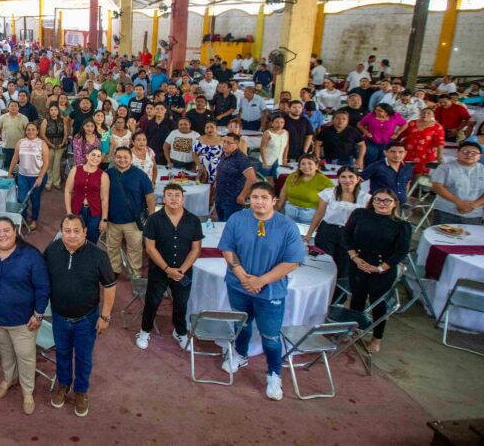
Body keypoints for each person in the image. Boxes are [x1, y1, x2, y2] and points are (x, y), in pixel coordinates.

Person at [218, 182, 306, 401]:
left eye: (264, 197)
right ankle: (240, 354)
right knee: (242, 324)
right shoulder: (237, 219)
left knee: (270, 335)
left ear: (274, 201)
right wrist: (242, 276)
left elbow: (292, 261)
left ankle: (274, 373)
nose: (258, 202)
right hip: (238, 286)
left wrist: (261, 281)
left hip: (270, 291)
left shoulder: (287, 227)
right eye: (254, 197)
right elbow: (227, 249)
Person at [0, 217, 50, 415]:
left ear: (15, 231)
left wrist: (38, 315)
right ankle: (9, 379)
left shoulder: (31, 256)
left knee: (25, 357)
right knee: (5, 351)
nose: (2, 235)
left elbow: (43, 287)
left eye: (6, 230)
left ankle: (27, 392)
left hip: (22, 321)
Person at [45, 215, 116, 418]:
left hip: (86, 319)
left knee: (83, 358)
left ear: (85, 232)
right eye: (67, 231)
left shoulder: (98, 255)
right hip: (59, 317)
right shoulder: (52, 250)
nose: (72, 235)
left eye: (76, 231)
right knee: (62, 353)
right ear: (61, 232)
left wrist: (105, 317)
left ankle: (81, 391)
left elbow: (110, 286)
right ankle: (64, 384)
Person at [342, 189, 412, 353]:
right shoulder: (360, 214)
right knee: (357, 298)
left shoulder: (402, 225)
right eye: (378, 199)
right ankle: (352, 330)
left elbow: (401, 252)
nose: (382, 203)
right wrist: (355, 258)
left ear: (395, 204)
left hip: (383, 269)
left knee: (378, 303)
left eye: (387, 200)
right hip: (358, 263)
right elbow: (347, 236)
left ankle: (376, 337)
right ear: (372, 201)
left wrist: (380, 268)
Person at [136, 183, 203, 351]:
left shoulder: (193, 220)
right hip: (159, 270)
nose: (173, 198)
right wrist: (167, 269)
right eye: (170, 195)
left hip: (183, 271)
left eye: (177, 195)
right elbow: (150, 248)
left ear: (183, 198)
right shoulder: (154, 219)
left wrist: (182, 270)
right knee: (152, 302)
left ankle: (180, 332)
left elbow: (196, 249)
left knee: (181, 303)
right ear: (164, 198)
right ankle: (145, 330)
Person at [304, 166, 369, 301]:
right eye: (343, 177)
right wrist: (309, 233)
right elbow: (319, 214)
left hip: (350, 235)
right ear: (338, 179)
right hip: (328, 231)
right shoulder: (329, 193)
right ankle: (317, 296)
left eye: (351, 177)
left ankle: (337, 300)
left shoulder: (366, 198)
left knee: (343, 268)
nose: (347, 180)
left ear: (357, 179)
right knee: (322, 264)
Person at [105, 146, 156, 278]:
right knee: (112, 247)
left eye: (125, 157)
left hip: (133, 221)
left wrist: (151, 216)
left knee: (135, 249)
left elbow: (150, 196)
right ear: (114, 158)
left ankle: (135, 273)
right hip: (112, 220)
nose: (122, 160)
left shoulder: (140, 175)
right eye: (119, 157)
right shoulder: (108, 174)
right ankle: (114, 270)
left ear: (131, 159)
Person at [430, 141, 484, 226]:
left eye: (474, 153)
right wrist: (459, 202)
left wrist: (473, 205)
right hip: (445, 211)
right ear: (458, 153)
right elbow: (437, 186)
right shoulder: (445, 167)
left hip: (474, 214)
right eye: (465, 151)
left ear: (480, 156)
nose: (469, 155)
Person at [8, 122, 49, 231]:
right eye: (28, 129)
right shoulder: (21, 142)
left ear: (37, 131)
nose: (30, 131)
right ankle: (23, 218)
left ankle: (34, 219)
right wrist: (9, 172)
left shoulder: (42, 143)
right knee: (21, 199)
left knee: (35, 199)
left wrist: (40, 177)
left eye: (33, 129)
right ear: (25, 131)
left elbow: (46, 162)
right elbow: (15, 158)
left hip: (37, 176)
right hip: (23, 176)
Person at [65, 148, 110, 245]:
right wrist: (68, 212)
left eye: (98, 156)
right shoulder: (75, 170)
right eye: (93, 155)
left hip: (95, 213)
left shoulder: (103, 175)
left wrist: (104, 219)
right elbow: (68, 191)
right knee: (75, 237)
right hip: (77, 210)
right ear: (87, 156)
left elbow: (104, 199)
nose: (95, 158)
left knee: (91, 240)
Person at [277, 154, 334, 224]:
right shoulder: (292, 176)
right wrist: (277, 209)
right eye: (303, 164)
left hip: (310, 215)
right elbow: (283, 193)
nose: (306, 166)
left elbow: (332, 201)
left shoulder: (325, 181)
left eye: (310, 163)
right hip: (289, 211)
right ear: (300, 167)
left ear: (316, 166)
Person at [214, 133, 258, 221]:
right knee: (220, 225)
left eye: (229, 143)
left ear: (237, 145)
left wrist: (242, 196)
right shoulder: (223, 154)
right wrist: (215, 184)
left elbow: (252, 179)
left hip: (233, 200)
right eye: (224, 142)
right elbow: (220, 170)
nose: (225, 144)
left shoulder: (241, 159)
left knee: (230, 225)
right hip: (220, 197)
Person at [360, 141, 414, 207]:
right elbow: (357, 180)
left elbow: (407, 183)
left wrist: (404, 196)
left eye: (400, 152)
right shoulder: (376, 166)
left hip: (399, 206)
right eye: (393, 152)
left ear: (405, 153)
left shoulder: (408, 167)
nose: (397, 155)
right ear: (385, 152)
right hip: (380, 206)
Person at [401, 107, 446, 176]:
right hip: (408, 152)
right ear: (420, 114)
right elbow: (402, 134)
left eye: (428, 113)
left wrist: (439, 156)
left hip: (425, 154)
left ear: (433, 115)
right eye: (423, 113)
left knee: (420, 174)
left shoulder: (437, 127)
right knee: (405, 171)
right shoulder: (412, 123)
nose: (425, 115)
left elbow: (440, 142)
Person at [0, 100, 29, 169]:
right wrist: (2, 136)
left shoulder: (24, 118)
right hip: (6, 146)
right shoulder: (3, 117)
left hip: (20, 147)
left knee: (19, 166)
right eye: (11, 106)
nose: (13, 107)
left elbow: (28, 131)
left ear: (18, 108)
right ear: (8, 108)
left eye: (15, 106)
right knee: (7, 165)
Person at [192, 121, 223, 185]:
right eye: (207, 127)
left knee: (215, 186)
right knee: (201, 185)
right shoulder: (199, 139)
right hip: (202, 167)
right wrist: (199, 165)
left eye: (212, 127)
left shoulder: (222, 140)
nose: (209, 129)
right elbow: (194, 154)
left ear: (216, 128)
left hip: (217, 167)